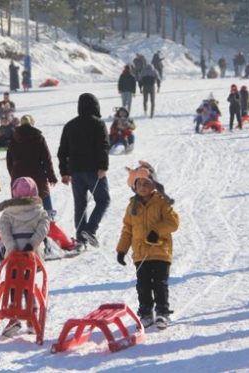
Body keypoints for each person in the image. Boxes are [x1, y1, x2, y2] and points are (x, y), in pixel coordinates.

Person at [117, 161, 179, 329]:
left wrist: (157, 230)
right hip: (140, 253)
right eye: (139, 184)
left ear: (154, 185)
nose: (143, 187)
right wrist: (122, 250)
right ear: (134, 186)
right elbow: (127, 229)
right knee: (143, 285)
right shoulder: (132, 206)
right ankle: (145, 313)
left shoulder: (162, 202)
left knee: (160, 283)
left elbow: (173, 223)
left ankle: (162, 312)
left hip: (160, 251)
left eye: (146, 183)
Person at [0, 176, 51, 333]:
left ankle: (14, 317)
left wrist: (12, 247)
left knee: (13, 283)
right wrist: (31, 244)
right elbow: (44, 228)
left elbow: (4, 231)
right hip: (32, 256)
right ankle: (32, 317)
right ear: (34, 192)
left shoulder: (8, 212)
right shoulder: (39, 211)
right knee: (28, 283)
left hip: (14, 256)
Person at [57, 93, 110, 249]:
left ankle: (81, 238)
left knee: (80, 204)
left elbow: (62, 151)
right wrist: (103, 167)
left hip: (75, 172)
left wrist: (64, 172)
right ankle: (90, 229)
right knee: (103, 200)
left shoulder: (70, 125)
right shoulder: (98, 124)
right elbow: (103, 147)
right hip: (94, 170)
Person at [6, 114, 58, 215]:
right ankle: (50, 221)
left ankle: (18, 225)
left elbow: (9, 161)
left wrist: (14, 176)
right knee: (44, 196)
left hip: (18, 175)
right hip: (37, 175)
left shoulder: (13, 139)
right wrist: (51, 176)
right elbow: (46, 159)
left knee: (18, 203)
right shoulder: (38, 138)